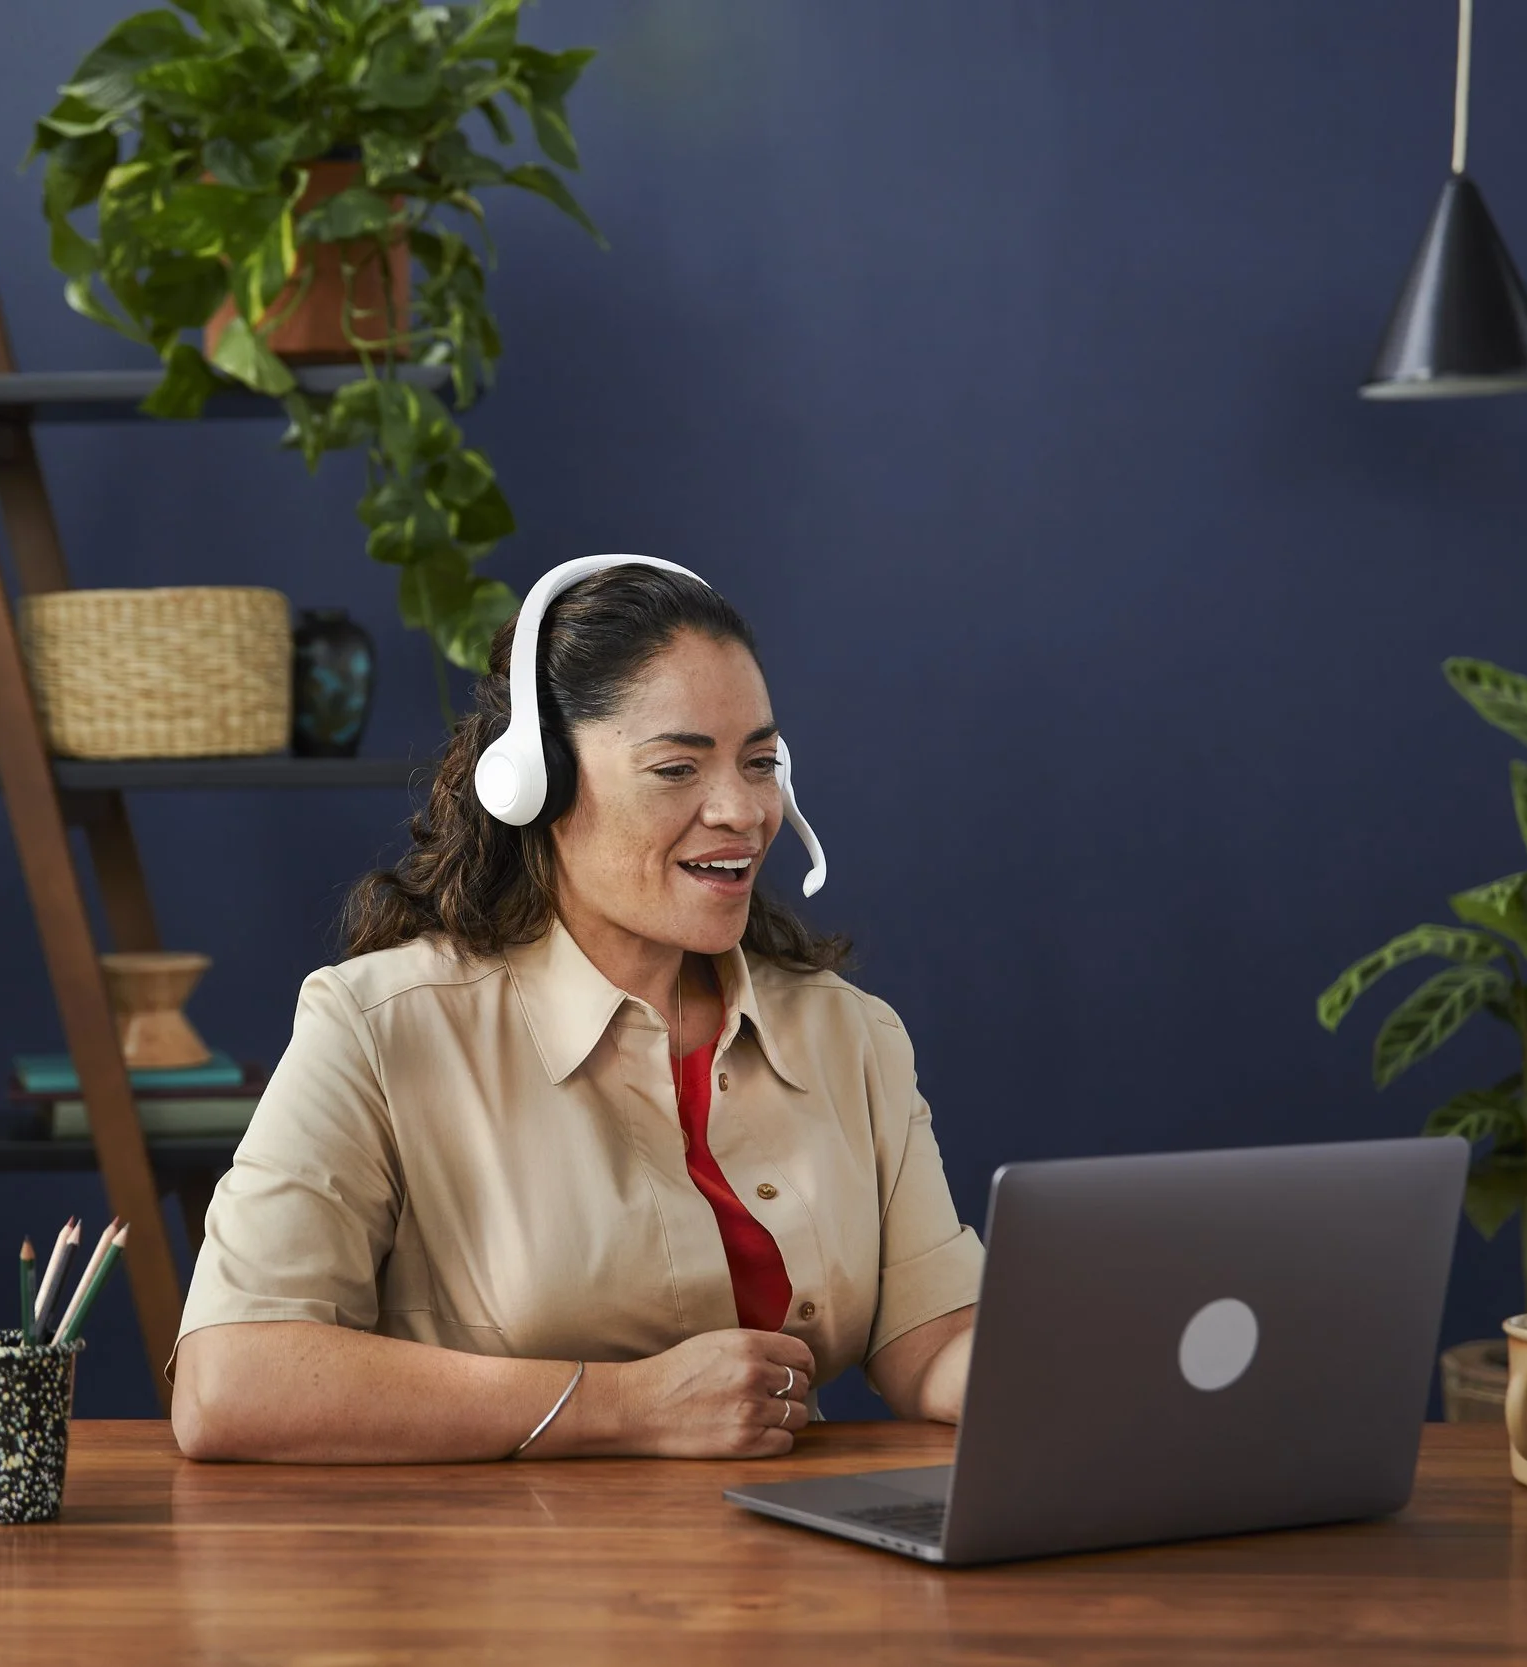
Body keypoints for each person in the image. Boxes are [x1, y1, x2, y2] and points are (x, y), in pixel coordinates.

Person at [170, 561, 981, 1461]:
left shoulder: (849, 1035)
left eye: (760, 762)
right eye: (678, 766)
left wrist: (1102, 1366)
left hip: (804, 1574)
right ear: (539, 783)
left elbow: (934, 1343)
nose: (744, 810)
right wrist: (630, 1404)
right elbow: (230, 1381)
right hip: (508, 1588)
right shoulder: (377, 1027)